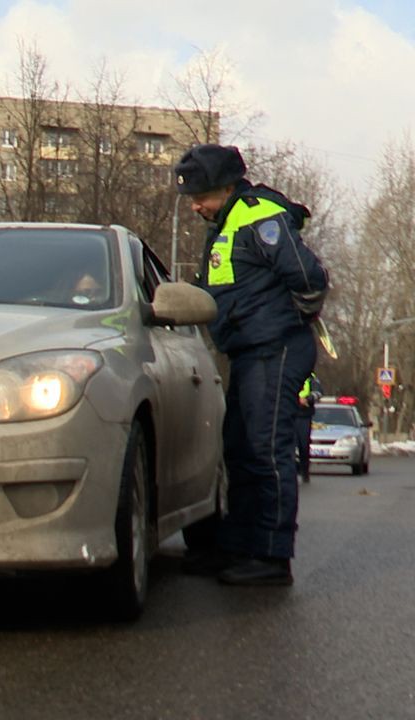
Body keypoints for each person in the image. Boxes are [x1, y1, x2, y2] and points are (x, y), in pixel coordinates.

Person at [174, 144, 328, 586]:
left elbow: (308, 276)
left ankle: (272, 555)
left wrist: (291, 319)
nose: (196, 205)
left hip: (273, 349)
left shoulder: (257, 214)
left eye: (200, 196)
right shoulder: (226, 223)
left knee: (266, 450)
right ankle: (239, 545)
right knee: (240, 448)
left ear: (225, 186)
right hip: (248, 352)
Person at [295, 373, 323, 483]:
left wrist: (308, 399)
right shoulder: (287, 370)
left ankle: (304, 472)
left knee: (303, 445)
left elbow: (318, 392)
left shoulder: (311, 377)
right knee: (288, 445)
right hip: (289, 413)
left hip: (304, 415)